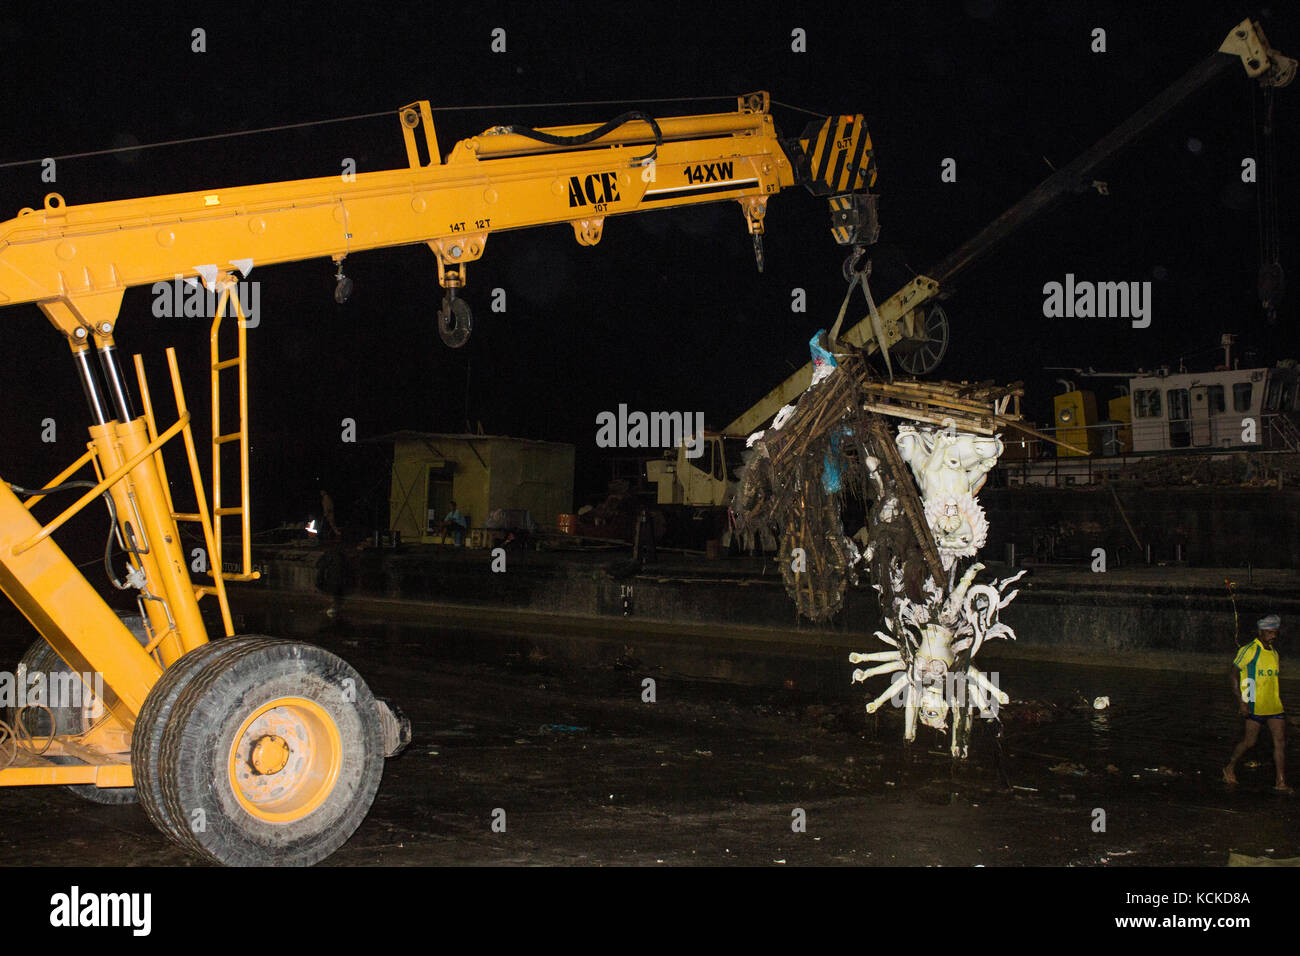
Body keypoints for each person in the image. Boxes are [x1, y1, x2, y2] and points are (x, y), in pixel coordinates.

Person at [1224, 614, 1292, 793]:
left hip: (1274, 705)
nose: (1273, 636)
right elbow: (1233, 674)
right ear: (1260, 632)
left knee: (1280, 742)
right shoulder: (1249, 650)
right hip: (1255, 704)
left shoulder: (1274, 653)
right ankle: (1230, 766)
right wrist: (1242, 702)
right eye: (1269, 632)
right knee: (1250, 741)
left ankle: (1280, 782)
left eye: (1275, 633)